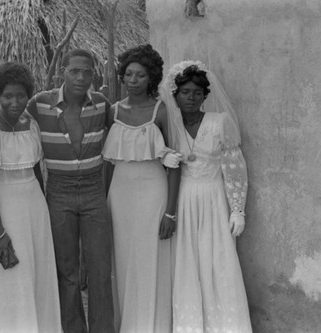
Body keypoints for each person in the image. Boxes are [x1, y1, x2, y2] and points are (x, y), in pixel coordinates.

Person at [160, 60, 252, 332]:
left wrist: (237, 209)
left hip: (213, 200)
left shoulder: (219, 122)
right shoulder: (169, 124)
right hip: (183, 199)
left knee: (218, 262)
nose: (191, 97)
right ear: (175, 94)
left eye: (197, 93)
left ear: (204, 96)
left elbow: (235, 168)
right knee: (186, 264)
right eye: (185, 92)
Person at [26, 49, 114, 333]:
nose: (81, 77)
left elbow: (122, 138)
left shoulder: (102, 105)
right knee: (67, 271)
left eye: (87, 72)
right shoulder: (40, 104)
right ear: (62, 71)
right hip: (59, 193)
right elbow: (8, 122)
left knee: (100, 271)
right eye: (74, 70)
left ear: (94, 75)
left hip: (93, 191)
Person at [0, 62, 61, 332]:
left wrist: (44, 208)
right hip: (4, 206)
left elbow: (37, 170)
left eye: (21, 95)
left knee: (37, 269)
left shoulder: (32, 124)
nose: (15, 102)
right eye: (7, 96)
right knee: (11, 271)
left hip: (34, 206)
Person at [102, 44, 181, 332]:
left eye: (141, 75)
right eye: (129, 74)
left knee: (152, 259)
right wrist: (103, 202)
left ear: (152, 78)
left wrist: (170, 212)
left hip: (153, 192)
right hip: (119, 194)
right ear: (122, 76)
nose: (133, 80)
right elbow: (109, 163)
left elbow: (174, 163)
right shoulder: (112, 112)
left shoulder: (161, 112)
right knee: (122, 260)